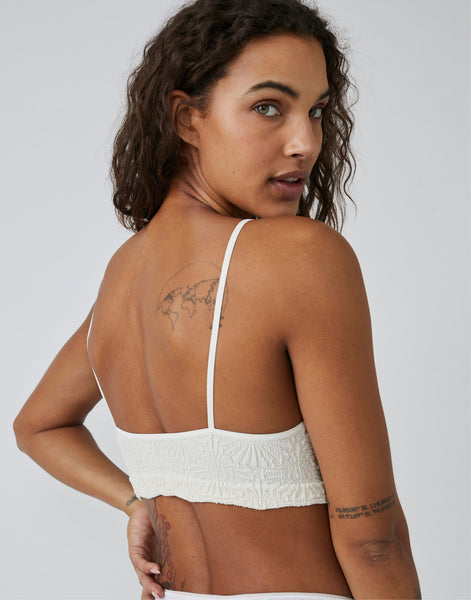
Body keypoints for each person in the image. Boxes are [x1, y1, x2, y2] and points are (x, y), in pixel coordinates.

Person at [14, 0, 421, 598]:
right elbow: (372, 540)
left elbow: (38, 426)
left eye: (316, 110)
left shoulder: (124, 275)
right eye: (268, 107)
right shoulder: (302, 257)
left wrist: (136, 503)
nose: (305, 142)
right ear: (186, 118)